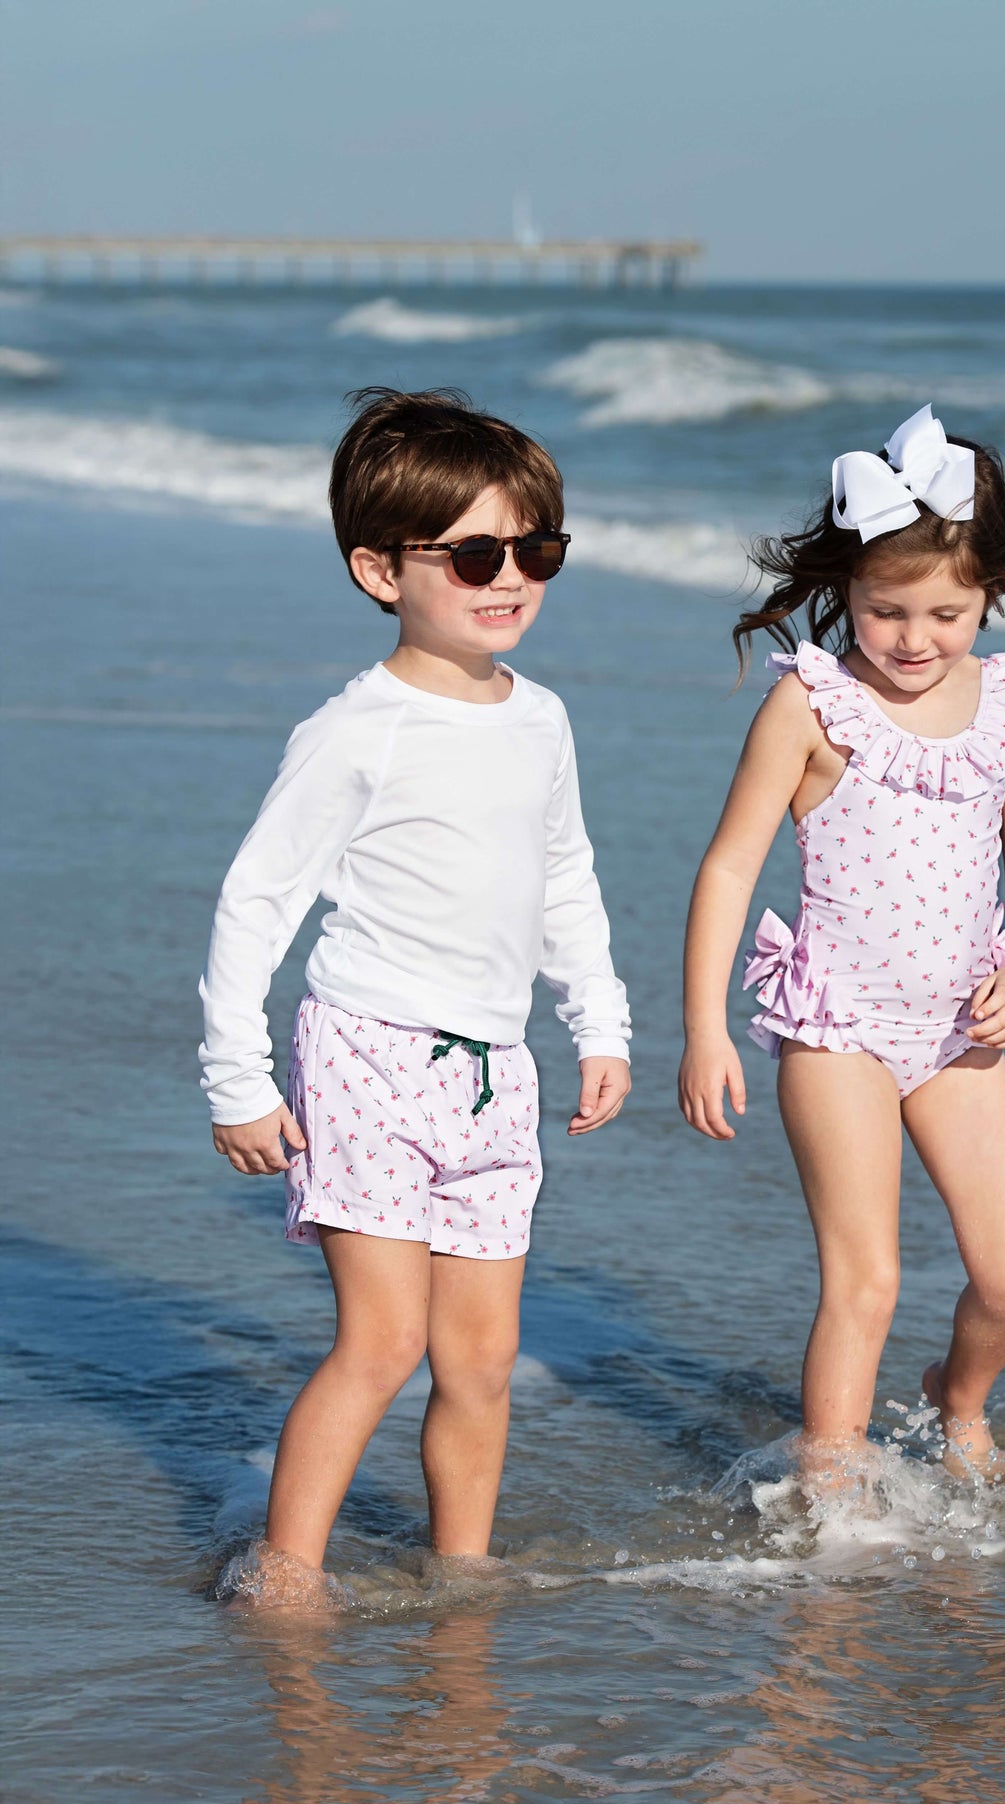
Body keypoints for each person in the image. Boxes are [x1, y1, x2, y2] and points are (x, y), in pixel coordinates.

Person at [200, 388, 630, 1603]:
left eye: (536, 549)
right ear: (379, 570)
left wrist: (598, 1021)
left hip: (496, 1072)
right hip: (367, 1054)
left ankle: (461, 1576)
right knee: (382, 1339)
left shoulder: (540, 719)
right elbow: (258, 901)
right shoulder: (357, 730)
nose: (511, 579)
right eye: (476, 554)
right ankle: (285, 1576)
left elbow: (563, 877)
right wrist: (236, 1077)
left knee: (483, 1357)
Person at [678, 404, 1005, 1484]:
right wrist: (704, 1028)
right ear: (842, 590)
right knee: (867, 1280)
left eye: (944, 612)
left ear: (990, 592)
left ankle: (959, 1400)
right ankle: (831, 1480)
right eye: (884, 609)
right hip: (835, 1023)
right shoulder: (813, 706)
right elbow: (726, 866)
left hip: (956, 1029)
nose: (911, 637)